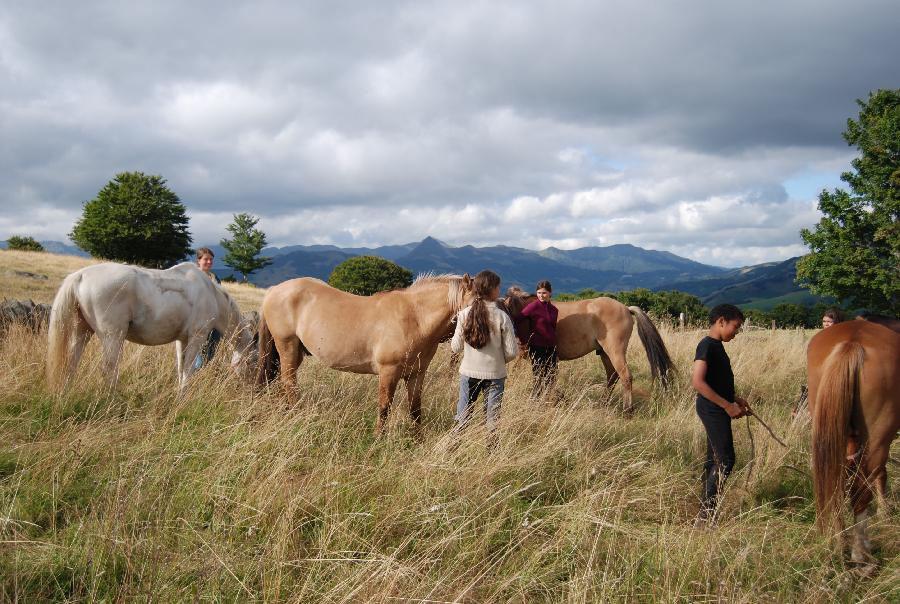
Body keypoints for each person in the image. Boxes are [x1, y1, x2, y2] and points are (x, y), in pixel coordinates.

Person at [691, 303, 749, 527]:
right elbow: (698, 382)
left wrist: (735, 399)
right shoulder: (707, 345)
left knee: (714, 459)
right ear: (721, 321)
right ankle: (706, 516)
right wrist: (726, 406)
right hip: (712, 409)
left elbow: (717, 380)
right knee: (725, 459)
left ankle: (705, 510)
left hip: (717, 406)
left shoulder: (716, 346)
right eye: (735, 326)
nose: (736, 332)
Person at [450, 270, 519, 446]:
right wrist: (497, 360)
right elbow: (512, 352)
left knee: (463, 417)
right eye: (498, 287)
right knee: (492, 421)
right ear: (493, 290)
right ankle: (491, 456)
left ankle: (452, 450)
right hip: (495, 375)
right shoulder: (503, 316)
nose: (499, 290)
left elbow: (455, 347)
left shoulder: (464, 314)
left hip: (468, 374)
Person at [518, 280, 559, 399]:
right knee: (538, 375)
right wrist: (522, 338)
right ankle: (535, 400)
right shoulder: (532, 306)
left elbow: (553, 328)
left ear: (550, 293)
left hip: (551, 347)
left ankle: (548, 398)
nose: (541, 295)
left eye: (544, 293)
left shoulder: (554, 310)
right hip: (537, 346)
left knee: (551, 374)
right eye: (539, 293)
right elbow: (518, 319)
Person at [193, 247, 222, 370]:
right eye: (206, 259)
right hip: (197, 323)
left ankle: (203, 379)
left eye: (211, 260)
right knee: (197, 357)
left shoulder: (215, 278)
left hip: (214, 324)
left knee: (210, 354)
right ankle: (194, 379)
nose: (209, 262)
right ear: (198, 260)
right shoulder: (193, 277)